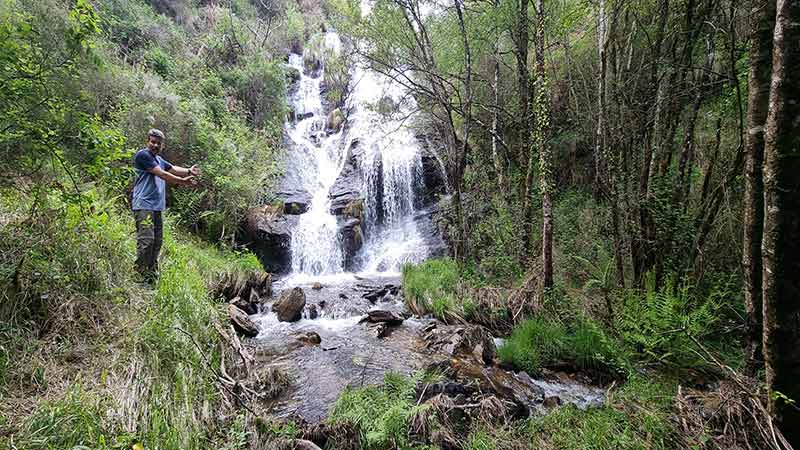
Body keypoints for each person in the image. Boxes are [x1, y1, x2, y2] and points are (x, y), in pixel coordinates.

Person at [132, 128, 200, 282]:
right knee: (147, 240)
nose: (155, 145)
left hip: (156, 207)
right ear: (147, 141)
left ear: (162, 145)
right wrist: (182, 181)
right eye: (153, 142)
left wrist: (189, 170)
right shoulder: (143, 155)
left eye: (158, 143)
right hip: (143, 205)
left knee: (157, 242)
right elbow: (162, 174)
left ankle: (150, 274)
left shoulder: (160, 160)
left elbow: (172, 168)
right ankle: (139, 274)